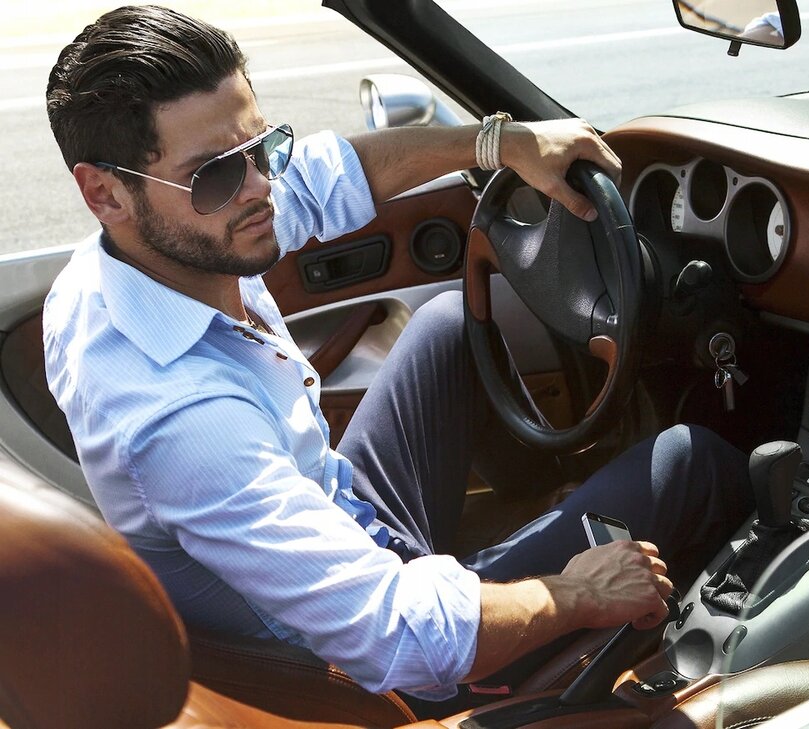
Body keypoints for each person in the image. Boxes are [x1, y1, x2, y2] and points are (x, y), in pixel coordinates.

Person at [41, 4, 753, 712]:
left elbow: (324, 175)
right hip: (372, 669)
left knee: (447, 323)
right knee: (692, 462)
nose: (261, 187)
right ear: (105, 192)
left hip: (344, 514)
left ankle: (546, 514)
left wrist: (500, 144)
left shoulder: (132, 260)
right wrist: (576, 591)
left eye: (261, 147)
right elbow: (399, 635)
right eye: (216, 176)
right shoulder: (180, 423)